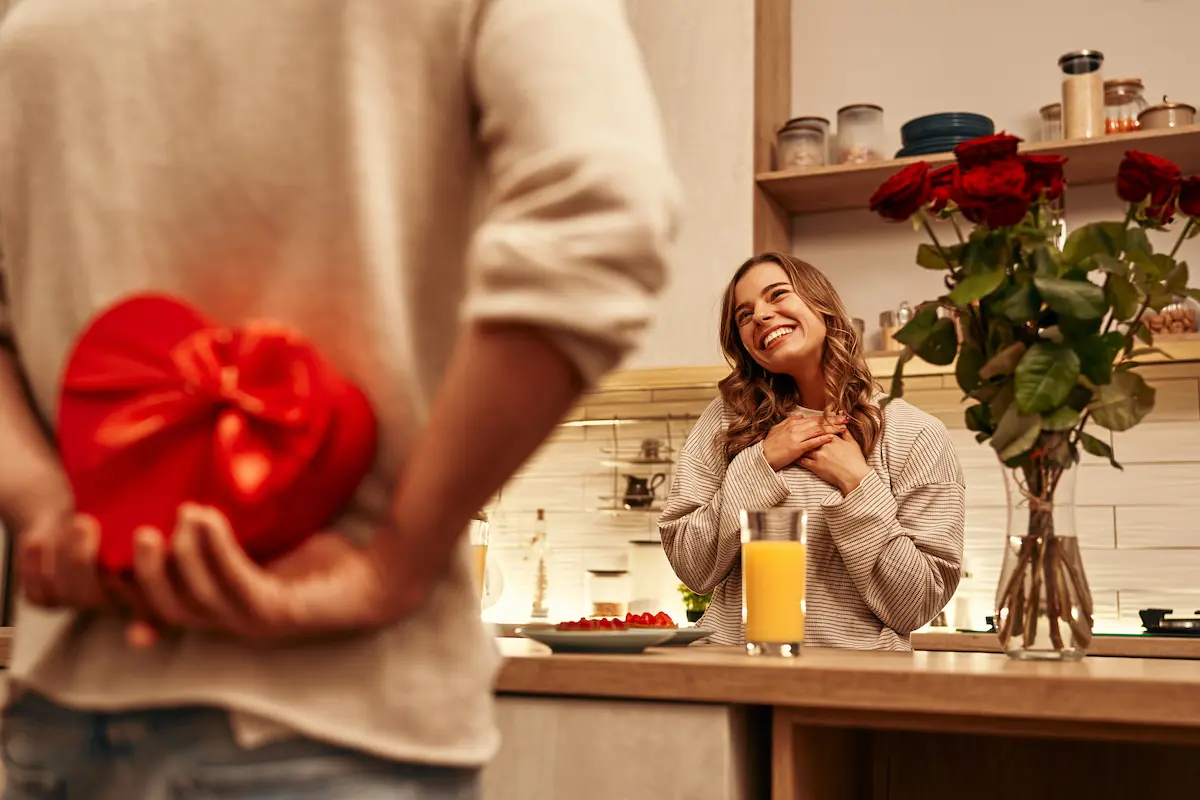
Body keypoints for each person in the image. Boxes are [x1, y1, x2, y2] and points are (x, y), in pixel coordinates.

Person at [0, 0, 679, 796]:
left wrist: (48, 509)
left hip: (62, 715)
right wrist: (396, 563)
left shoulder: (33, 18)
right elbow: (604, 217)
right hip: (340, 705)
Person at [659, 253, 964, 650]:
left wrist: (857, 483)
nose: (761, 316)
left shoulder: (916, 435)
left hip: (856, 681)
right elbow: (692, 567)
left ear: (822, 304)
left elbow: (917, 604)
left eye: (777, 294)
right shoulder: (727, 421)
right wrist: (759, 463)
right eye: (744, 315)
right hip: (729, 669)